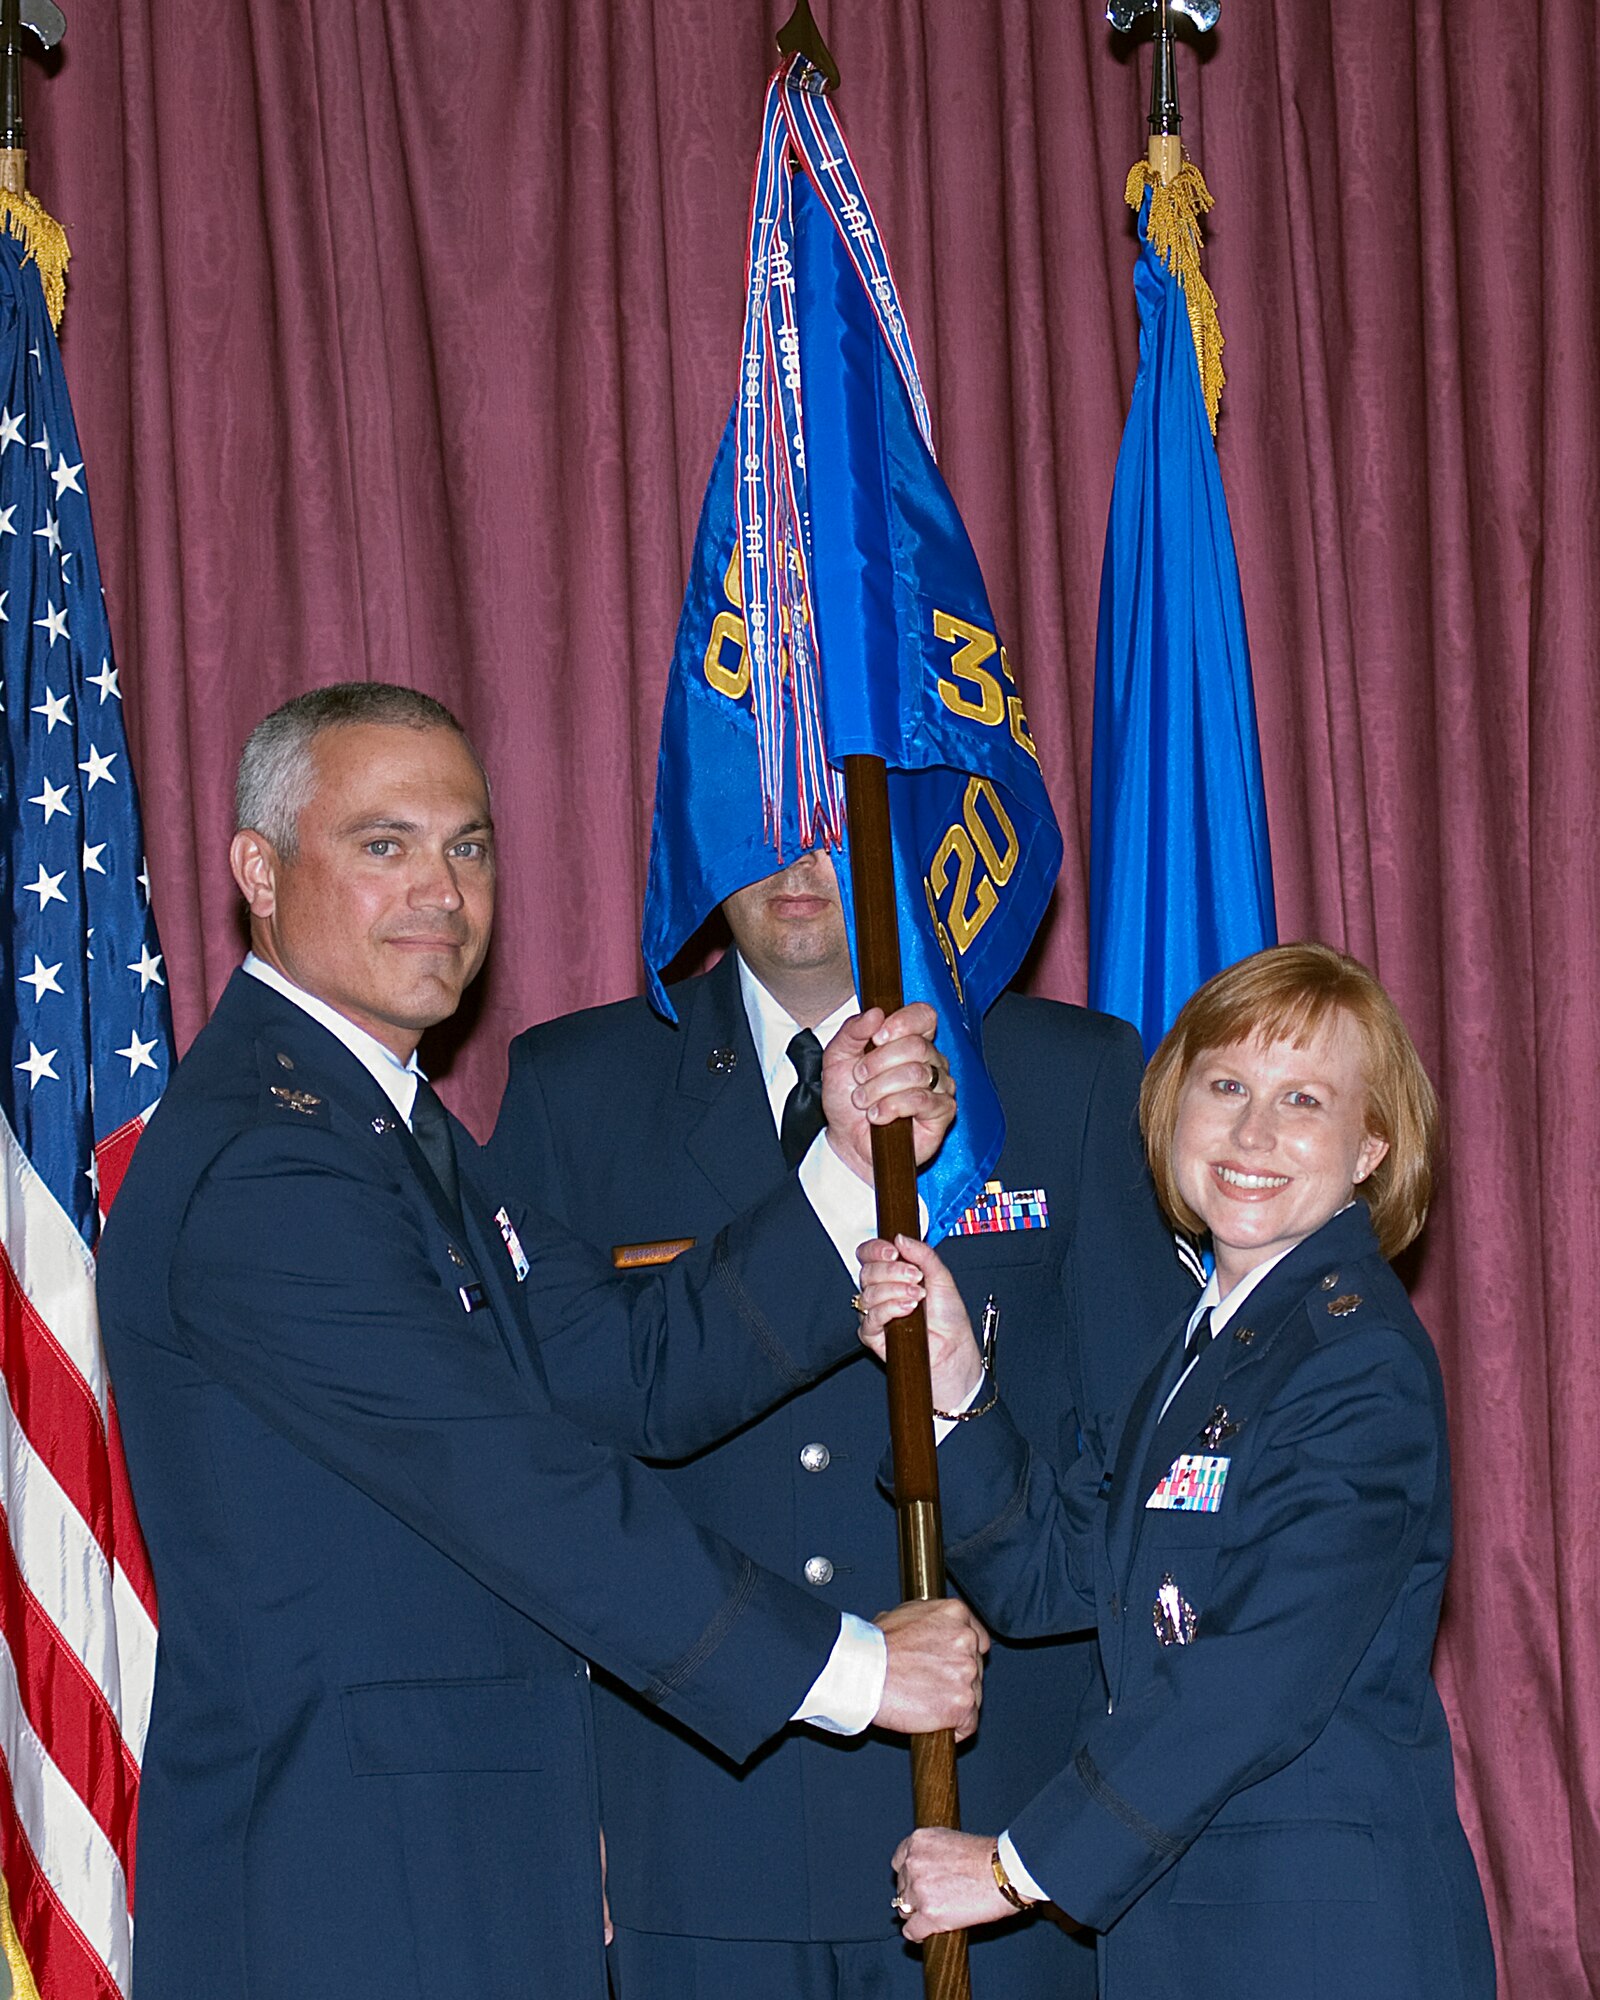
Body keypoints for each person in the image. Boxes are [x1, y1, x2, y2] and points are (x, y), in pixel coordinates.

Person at [96, 683, 991, 2000]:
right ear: (258, 872)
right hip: (342, 1899)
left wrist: (847, 1172)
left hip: (452, 1878)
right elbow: (512, 1485)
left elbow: (615, 1370)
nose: (441, 891)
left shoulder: (392, 1128)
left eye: (468, 846)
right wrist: (851, 1669)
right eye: (383, 845)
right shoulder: (268, 1161)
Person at [489, 846, 1193, 1998]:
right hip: (699, 1831)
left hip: (997, 1830)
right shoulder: (581, 1085)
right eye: (755, 815)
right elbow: (529, 1476)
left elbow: (1141, 1472)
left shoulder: (1062, 1072)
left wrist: (1110, 1820)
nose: (794, 856)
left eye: (828, 808)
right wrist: (555, 1818)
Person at [859, 943, 1496, 1999]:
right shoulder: (1203, 1340)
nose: (1253, 1132)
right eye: (1227, 1085)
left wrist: (1014, 1867)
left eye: (1303, 1099)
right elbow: (1052, 1574)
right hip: (1194, 1931)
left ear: (1372, 1145)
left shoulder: (1355, 1359)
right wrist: (958, 1381)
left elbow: (1256, 1678)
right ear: (1172, 1105)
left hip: (1322, 1944)